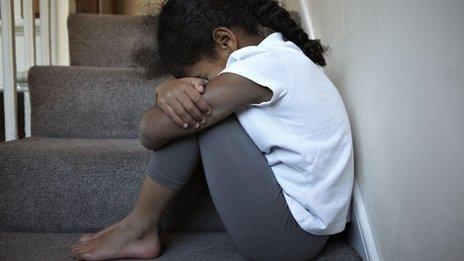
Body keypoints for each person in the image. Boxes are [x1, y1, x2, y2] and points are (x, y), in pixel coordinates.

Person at [69, 0, 354, 260]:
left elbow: (150, 130)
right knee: (197, 109)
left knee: (195, 116)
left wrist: (165, 93)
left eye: (202, 78)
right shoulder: (280, 59)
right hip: (299, 229)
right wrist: (171, 90)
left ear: (224, 40)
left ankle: (139, 227)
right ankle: (138, 227)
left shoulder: (264, 65)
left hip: (288, 238)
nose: (200, 85)